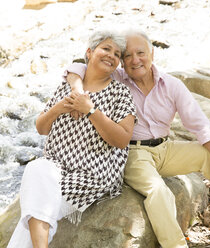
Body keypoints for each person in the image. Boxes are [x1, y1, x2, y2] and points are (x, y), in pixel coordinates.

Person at [64, 29, 210, 248]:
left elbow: (200, 123)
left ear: (152, 54)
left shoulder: (171, 84)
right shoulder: (116, 78)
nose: (135, 60)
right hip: (133, 154)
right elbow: (77, 67)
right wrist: (77, 88)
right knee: (158, 191)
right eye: (127, 56)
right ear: (122, 63)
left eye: (141, 53)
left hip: (166, 149)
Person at [7, 30, 137, 248]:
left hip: (94, 172)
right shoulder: (68, 86)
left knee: (37, 204)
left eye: (117, 54)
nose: (111, 55)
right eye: (106, 48)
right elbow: (41, 127)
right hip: (56, 167)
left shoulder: (120, 93)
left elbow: (122, 140)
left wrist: (90, 110)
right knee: (36, 168)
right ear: (89, 52)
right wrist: (58, 109)